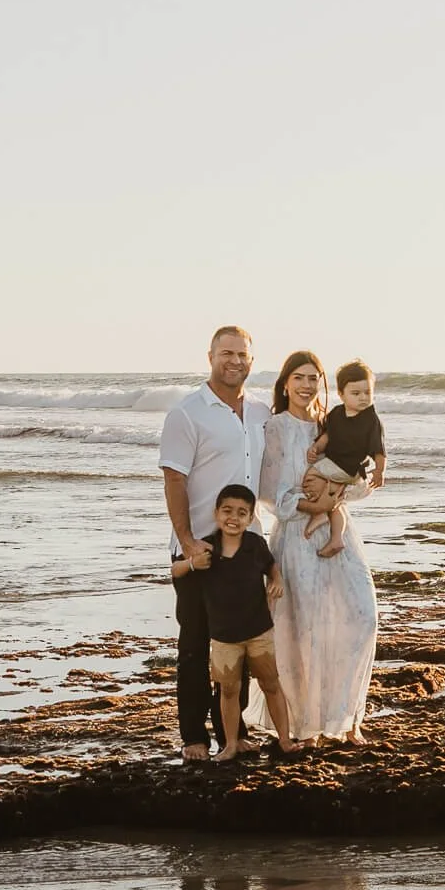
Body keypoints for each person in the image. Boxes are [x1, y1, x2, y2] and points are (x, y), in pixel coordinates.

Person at [160, 326, 270, 761]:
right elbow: (174, 478)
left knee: (238, 646)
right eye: (226, 353)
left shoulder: (262, 413)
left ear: (251, 361)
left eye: (242, 354)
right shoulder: (187, 412)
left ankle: (234, 731)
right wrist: (187, 542)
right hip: (200, 549)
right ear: (210, 356)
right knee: (196, 645)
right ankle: (193, 737)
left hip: (244, 548)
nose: (234, 361)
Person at [258, 351, 379, 744]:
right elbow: (271, 494)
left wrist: (341, 495)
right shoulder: (273, 428)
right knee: (304, 630)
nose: (308, 385)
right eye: (300, 377)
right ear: (286, 383)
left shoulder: (336, 422)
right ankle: (306, 725)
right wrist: (315, 505)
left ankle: (347, 718)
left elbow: (360, 479)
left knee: (361, 618)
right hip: (297, 538)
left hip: (338, 533)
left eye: (315, 378)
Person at [171, 484, 293, 762]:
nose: (233, 518)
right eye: (227, 511)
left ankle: (285, 741)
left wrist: (277, 579)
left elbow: (270, 565)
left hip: (259, 632)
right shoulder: (207, 548)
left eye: (242, 513)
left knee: (271, 683)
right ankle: (229, 745)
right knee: (229, 690)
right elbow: (175, 570)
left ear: (251, 518)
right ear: (216, 513)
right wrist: (192, 563)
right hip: (224, 638)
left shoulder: (254, 545)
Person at [303, 361, 386, 559]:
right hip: (337, 465)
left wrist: (380, 471)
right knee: (336, 501)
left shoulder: (371, 420)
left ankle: (319, 513)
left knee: (311, 475)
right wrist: (317, 447)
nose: (363, 398)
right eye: (356, 393)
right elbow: (327, 436)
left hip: (349, 468)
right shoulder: (337, 414)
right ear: (341, 394)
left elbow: (379, 450)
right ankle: (336, 538)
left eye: (368, 392)